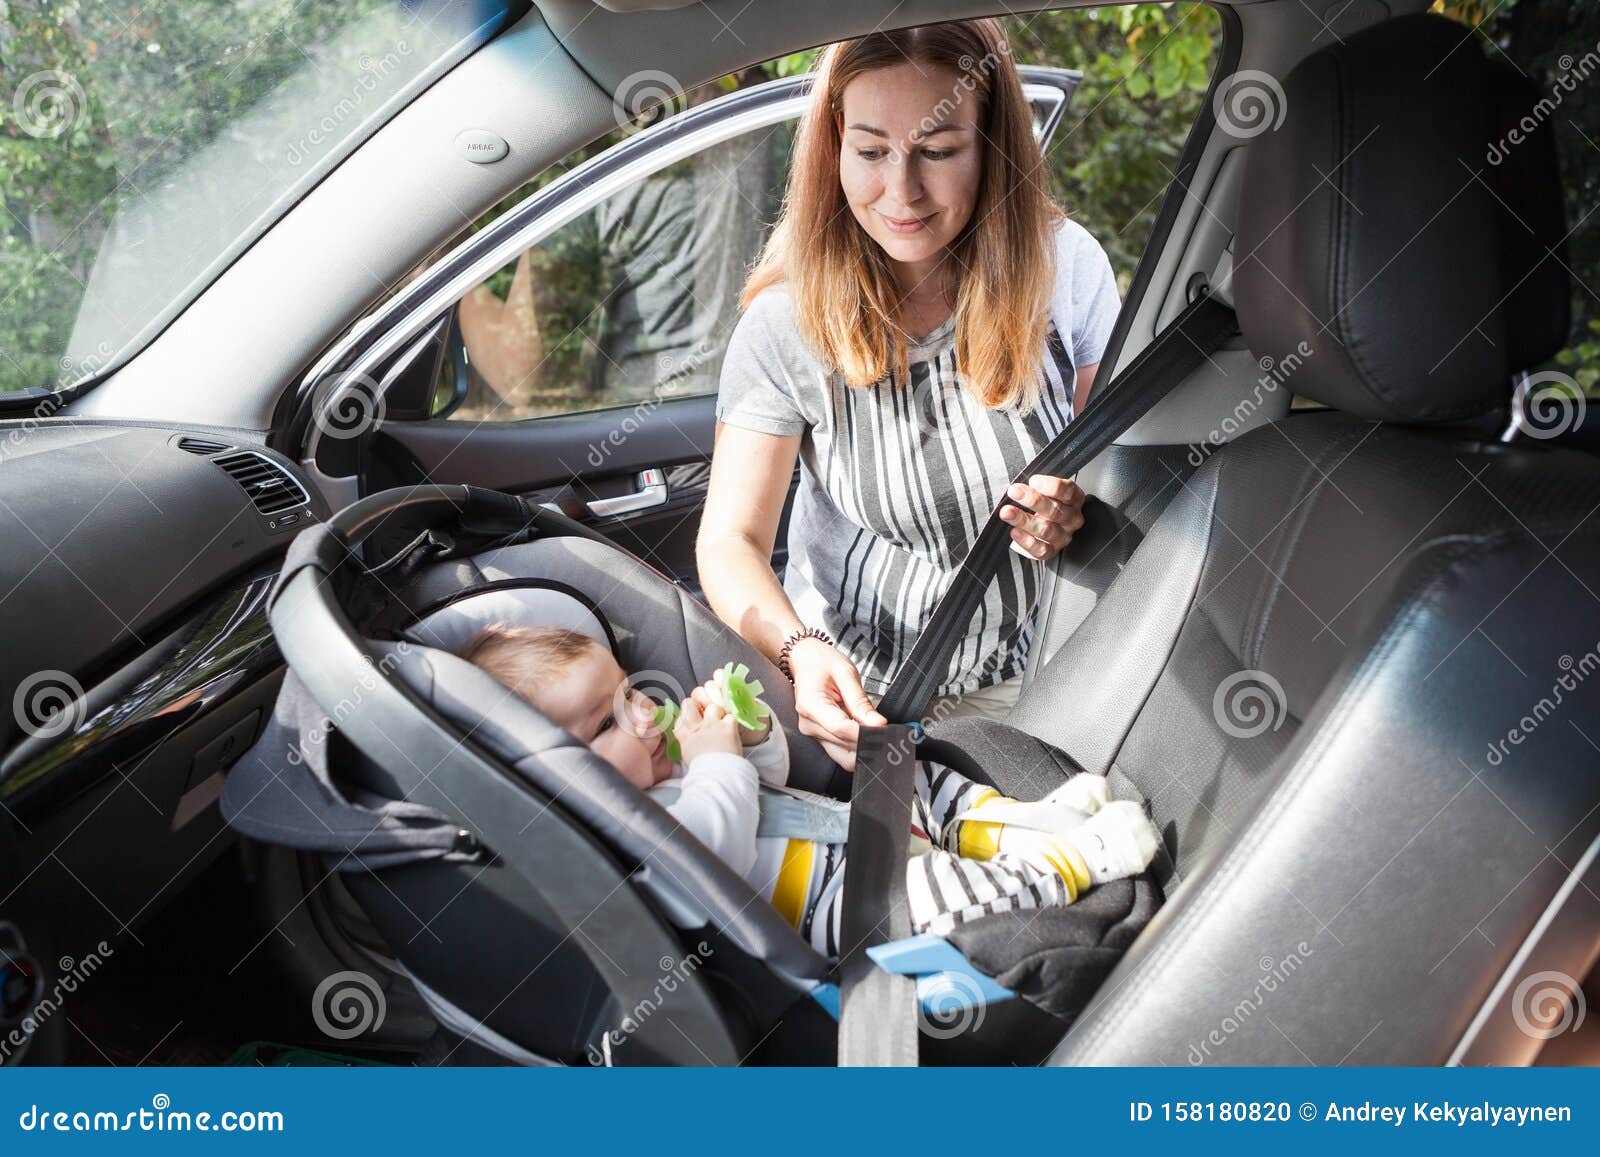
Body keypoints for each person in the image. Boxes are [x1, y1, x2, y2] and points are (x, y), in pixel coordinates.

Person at [697, 19, 1122, 771]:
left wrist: (1079, 505)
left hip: (1042, 692)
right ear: (833, 146)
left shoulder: (1067, 271)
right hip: (859, 704)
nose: (901, 190)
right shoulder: (785, 325)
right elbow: (730, 542)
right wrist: (800, 651)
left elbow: (1124, 466)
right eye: (869, 152)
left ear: (992, 145)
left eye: (937, 150)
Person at [463, 623, 1158, 956]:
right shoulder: (626, 846)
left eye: (628, 692)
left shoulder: (670, 770)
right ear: (557, 780)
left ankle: (1008, 822)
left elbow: (769, 786)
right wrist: (716, 761)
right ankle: (1063, 865)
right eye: (607, 721)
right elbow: (713, 849)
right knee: (937, 900)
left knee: (914, 773)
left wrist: (751, 732)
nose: (645, 712)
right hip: (836, 911)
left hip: (858, 834)